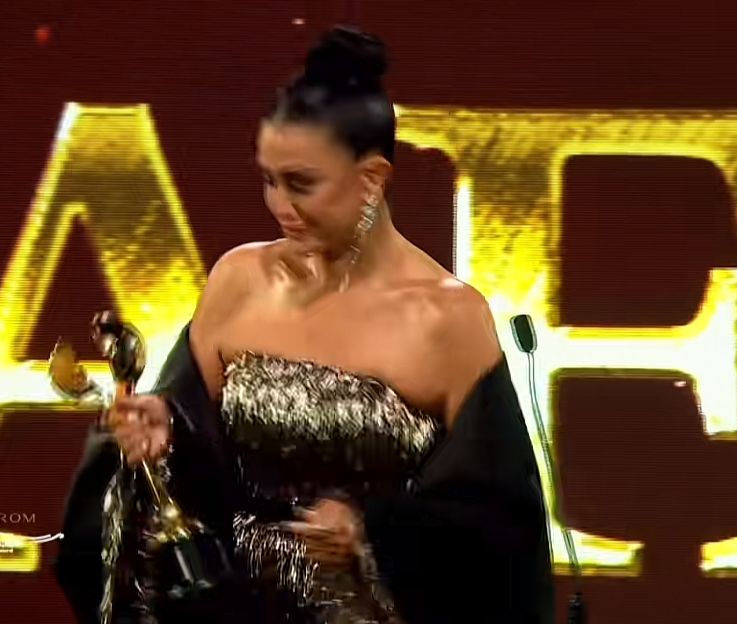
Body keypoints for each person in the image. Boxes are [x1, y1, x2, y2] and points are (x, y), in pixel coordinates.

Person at [54, 24, 555, 624]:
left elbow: (495, 532)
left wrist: (372, 535)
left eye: (301, 184)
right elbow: (195, 458)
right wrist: (166, 430)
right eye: (269, 180)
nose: (279, 207)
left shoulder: (449, 319)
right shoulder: (238, 280)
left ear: (372, 179)